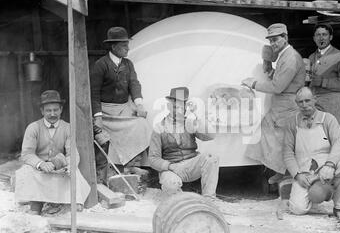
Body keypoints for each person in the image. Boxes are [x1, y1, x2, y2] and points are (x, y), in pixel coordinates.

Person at [241, 23, 305, 184]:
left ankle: (289, 175)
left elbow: (278, 87)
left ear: (285, 38)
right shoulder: (284, 55)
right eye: (271, 41)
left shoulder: (290, 57)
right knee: (272, 137)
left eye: (276, 39)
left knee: (285, 141)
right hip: (281, 104)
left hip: (288, 105)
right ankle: (281, 170)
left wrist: (253, 83)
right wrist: (268, 67)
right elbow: (279, 79)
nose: (273, 44)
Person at [89, 26, 151, 185]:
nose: (128, 48)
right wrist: (97, 116)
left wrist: (139, 104)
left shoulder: (128, 64)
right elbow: (93, 92)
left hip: (124, 108)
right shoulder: (101, 65)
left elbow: (134, 84)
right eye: (124, 46)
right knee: (102, 136)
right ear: (113, 46)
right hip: (105, 111)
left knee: (141, 125)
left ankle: (132, 165)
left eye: (127, 45)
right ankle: (106, 172)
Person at [14, 90, 91, 215]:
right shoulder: (33, 127)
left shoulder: (68, 128)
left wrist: (70, 166)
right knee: (26, 171)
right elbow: (27, 154)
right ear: (42, 111)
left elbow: (72, 152)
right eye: (48, 110)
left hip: (59, 166)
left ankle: (68, 203)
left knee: (74, 172)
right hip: (39, 167)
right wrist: (40, 164)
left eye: (56, 110)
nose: (52, 114)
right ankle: (36, 203)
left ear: (61, 110)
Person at [283, 87, 340, 220]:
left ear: (315, 99)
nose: (304, 105)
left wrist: (330, 164)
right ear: (296, 103)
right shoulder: (292, 123)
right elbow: (287, 152)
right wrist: (297, 175)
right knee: (298, 209)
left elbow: (339, 143)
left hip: (326, 169)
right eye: (300, 102)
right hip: (305, 173)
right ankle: (315, 194)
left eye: (308, 101)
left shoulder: (328, 119)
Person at [148, 87, 219, 198]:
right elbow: (153, 159)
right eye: (175, 107)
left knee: (211, 157)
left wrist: (197, 115)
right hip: (171, 169)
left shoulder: (190, 123)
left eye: (182, 107)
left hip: (191, 165)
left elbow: (211, 136)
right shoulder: (159, 127)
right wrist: (170, 166)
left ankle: (209, 199)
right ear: (168, 106)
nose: (179, 111)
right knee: (171, 185)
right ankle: (182, 203)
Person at [308, 23, 340, 129]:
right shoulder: (311, 58)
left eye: (324, 34)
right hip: (315, 103)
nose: (321, 38)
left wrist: (323, 82)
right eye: (318, 35)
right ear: (314, 38)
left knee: (333, 135)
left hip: (333, 104)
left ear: (331, 37)